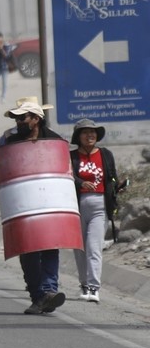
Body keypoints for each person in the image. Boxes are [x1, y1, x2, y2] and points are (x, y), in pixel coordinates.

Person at [0, 101, 66, 314]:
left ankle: (49, 290)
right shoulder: (9, 140)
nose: (18, 122)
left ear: (36, 119)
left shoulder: (54, 140)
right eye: (16, 118)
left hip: (48, 201)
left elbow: (64, 169)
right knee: (27, 250)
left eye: (23, 117)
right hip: (22, 203)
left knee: (49, 246)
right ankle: (38, 295)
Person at [70, 119, 119, 304]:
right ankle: (83, 284)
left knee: (93, 247)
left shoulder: (106, 154)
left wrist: (116, 189)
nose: (90, 135)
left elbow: (113, 177)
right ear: (78, 136)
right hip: (77, 206)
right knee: (79, 248)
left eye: (93, 132)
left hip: (100, 206)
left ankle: (93, 287)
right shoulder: (72, 156)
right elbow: (67, 175)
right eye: (85, 132)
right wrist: (81, 183)